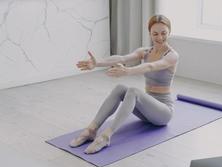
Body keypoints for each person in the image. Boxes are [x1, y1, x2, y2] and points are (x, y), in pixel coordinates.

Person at [69, 15, 179, 154]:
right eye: (155, 33)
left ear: (169, 32)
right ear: (150, 33)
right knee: (120, 88)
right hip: (146, 110)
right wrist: (97, 63)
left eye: (163, 33)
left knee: (133, 91)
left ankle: (106, 136)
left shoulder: (172, 55)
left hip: (163, 113)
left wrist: (128, 71)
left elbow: (151, 67)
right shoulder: (145, 51)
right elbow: (122, 58)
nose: (160, 37)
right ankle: (91, 130)